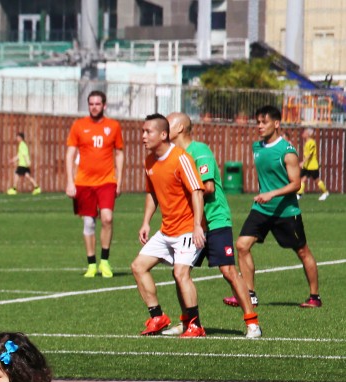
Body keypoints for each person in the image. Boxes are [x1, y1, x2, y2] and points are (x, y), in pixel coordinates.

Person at [164, 112, 261, 339]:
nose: (163, 126)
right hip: (190, 224)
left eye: (167, 123)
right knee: (180, 272)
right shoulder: (174, 155)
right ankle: (187, 321)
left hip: (215, 221)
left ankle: (252, 323)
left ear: (179, 128)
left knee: (228, 271)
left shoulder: (199, 151)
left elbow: (207, 188)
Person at [235, 105, 322, 309]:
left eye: (264, 122)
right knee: (242, 245)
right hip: (262, 209)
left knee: (302, 252)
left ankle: (314, 297)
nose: (259, 126)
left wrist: (271, 193)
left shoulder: (287, 151)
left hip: (286, 211)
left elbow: (296, 184)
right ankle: (250, 295)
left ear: (276, 124)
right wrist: (265, 195)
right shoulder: (256, 147)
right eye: (257, 122)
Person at [130, 114, 206, 337]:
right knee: (138, 266)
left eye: (148, 132)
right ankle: (157, 317)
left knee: (180, 273)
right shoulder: (149, 161)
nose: (143, 136)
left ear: (163, 135)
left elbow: (197, 191)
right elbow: (152, 193)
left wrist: (197, 226)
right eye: (142, 131)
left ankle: (194, 325)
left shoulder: (180, 158)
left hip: (186, 229)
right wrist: (146, 222)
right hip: (166, 229)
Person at [66, 90, 125, 278]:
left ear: (104, 105)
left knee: (107, 218)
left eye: (97, 104)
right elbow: (70, 154)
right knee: (89, 222)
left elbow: (120, 153)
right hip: (83, 182)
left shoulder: (113, 126)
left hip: (107, 181)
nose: (94, 107)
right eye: (91, 104)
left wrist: (120, 180)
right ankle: (91, 263)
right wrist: (70, 181)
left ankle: (105, 262)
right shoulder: (78, 125)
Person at [298, 127, 329, 201]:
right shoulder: (307, 142)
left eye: (304, 132)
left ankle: (325, 192)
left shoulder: (312, 142)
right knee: (302, 179)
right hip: (307, 166)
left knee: (316, 180)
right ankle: (299, 194)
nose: (302, 134)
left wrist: (303, 162)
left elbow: (310, 154)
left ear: (308, 134)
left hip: (312, 166)